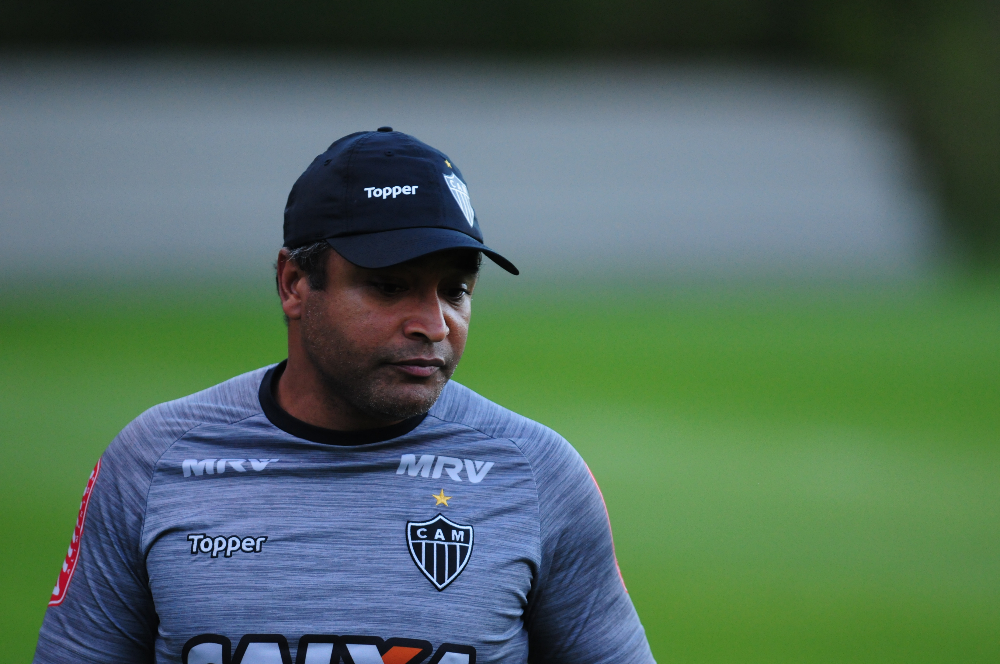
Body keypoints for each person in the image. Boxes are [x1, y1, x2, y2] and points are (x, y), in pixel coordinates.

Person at [33, 128, 655, 664]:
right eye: (390, 287)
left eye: (456, 290)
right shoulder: (154, 460)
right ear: (294, 283)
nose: (434, 325)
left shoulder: (537, 472)